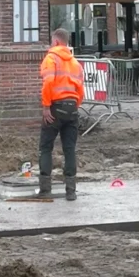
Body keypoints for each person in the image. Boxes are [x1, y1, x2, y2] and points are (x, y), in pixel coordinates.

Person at [38, 29, 85, 201]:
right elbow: (81, 90)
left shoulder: (51, 58)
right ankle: (71, 191)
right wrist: (73, 105)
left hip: (55, 107)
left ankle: (45, 189)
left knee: (45, 147)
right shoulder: (75, 63)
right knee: (69, 149)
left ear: (56, 42)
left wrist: (46, 107)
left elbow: (48, 83)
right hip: (72, 108)